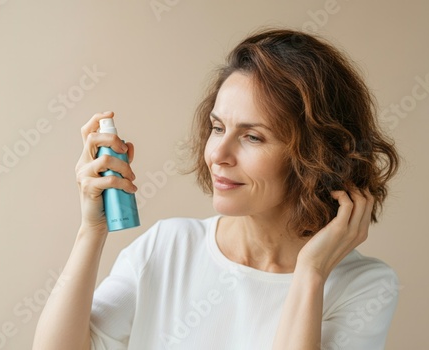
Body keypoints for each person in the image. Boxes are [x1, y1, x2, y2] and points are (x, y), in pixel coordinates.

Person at [33, 28, 400, 350]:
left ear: (315, 155)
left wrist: (311, 273)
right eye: (218, 127)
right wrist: (91, 231)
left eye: (253, 137)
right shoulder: (168, 247)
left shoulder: (364, 286)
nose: (218, 155)